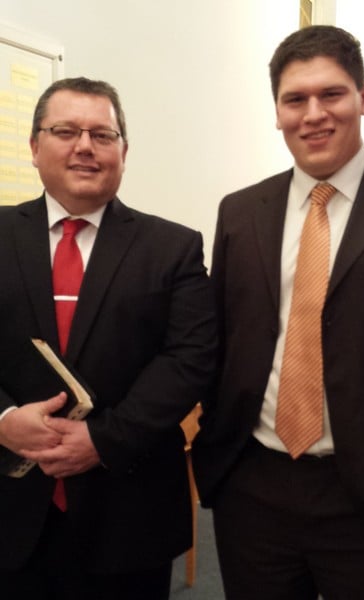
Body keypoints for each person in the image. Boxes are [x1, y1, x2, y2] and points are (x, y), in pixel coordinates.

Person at [192, 24, 364, 600]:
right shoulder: (241, 212)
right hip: (255, 489)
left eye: (332, 94)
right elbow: (221, 341)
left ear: (363, 98)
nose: (313, 114)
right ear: (277, 112)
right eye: (295, 99)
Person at [0, 76, 217, 600]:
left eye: (102, 135)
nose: (85, 146)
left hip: (128, 510)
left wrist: (104, 440)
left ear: (123, 151)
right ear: (34, 147)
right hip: (8, 505)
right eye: (65, 131)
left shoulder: (173, 247)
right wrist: (3, 419)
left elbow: (190, 358)